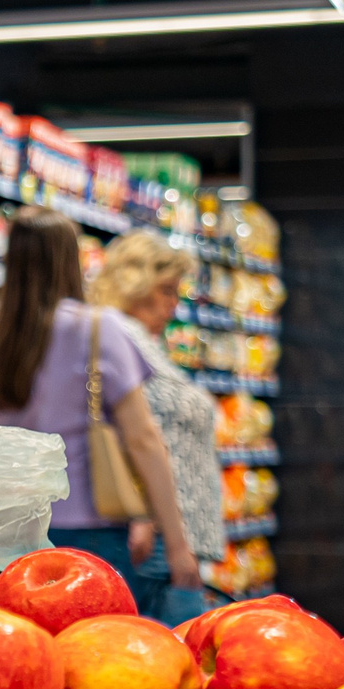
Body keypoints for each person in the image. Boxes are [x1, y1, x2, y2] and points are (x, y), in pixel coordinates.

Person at [0, 208, 197, 618]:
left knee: (24, 651)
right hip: (89, 537)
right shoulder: (96, 330)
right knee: (94, 650)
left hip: (8, 540)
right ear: (69, 261)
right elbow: (143, 439)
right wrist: (178, 546)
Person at [92, 231, 224, 622]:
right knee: (167, 646)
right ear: (134, 284)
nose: (173, 303)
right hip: (157, 539)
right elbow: (130, 433)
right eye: (166, 290)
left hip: (168, 535)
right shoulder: (121, 335)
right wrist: (148, 517)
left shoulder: (140, 341)